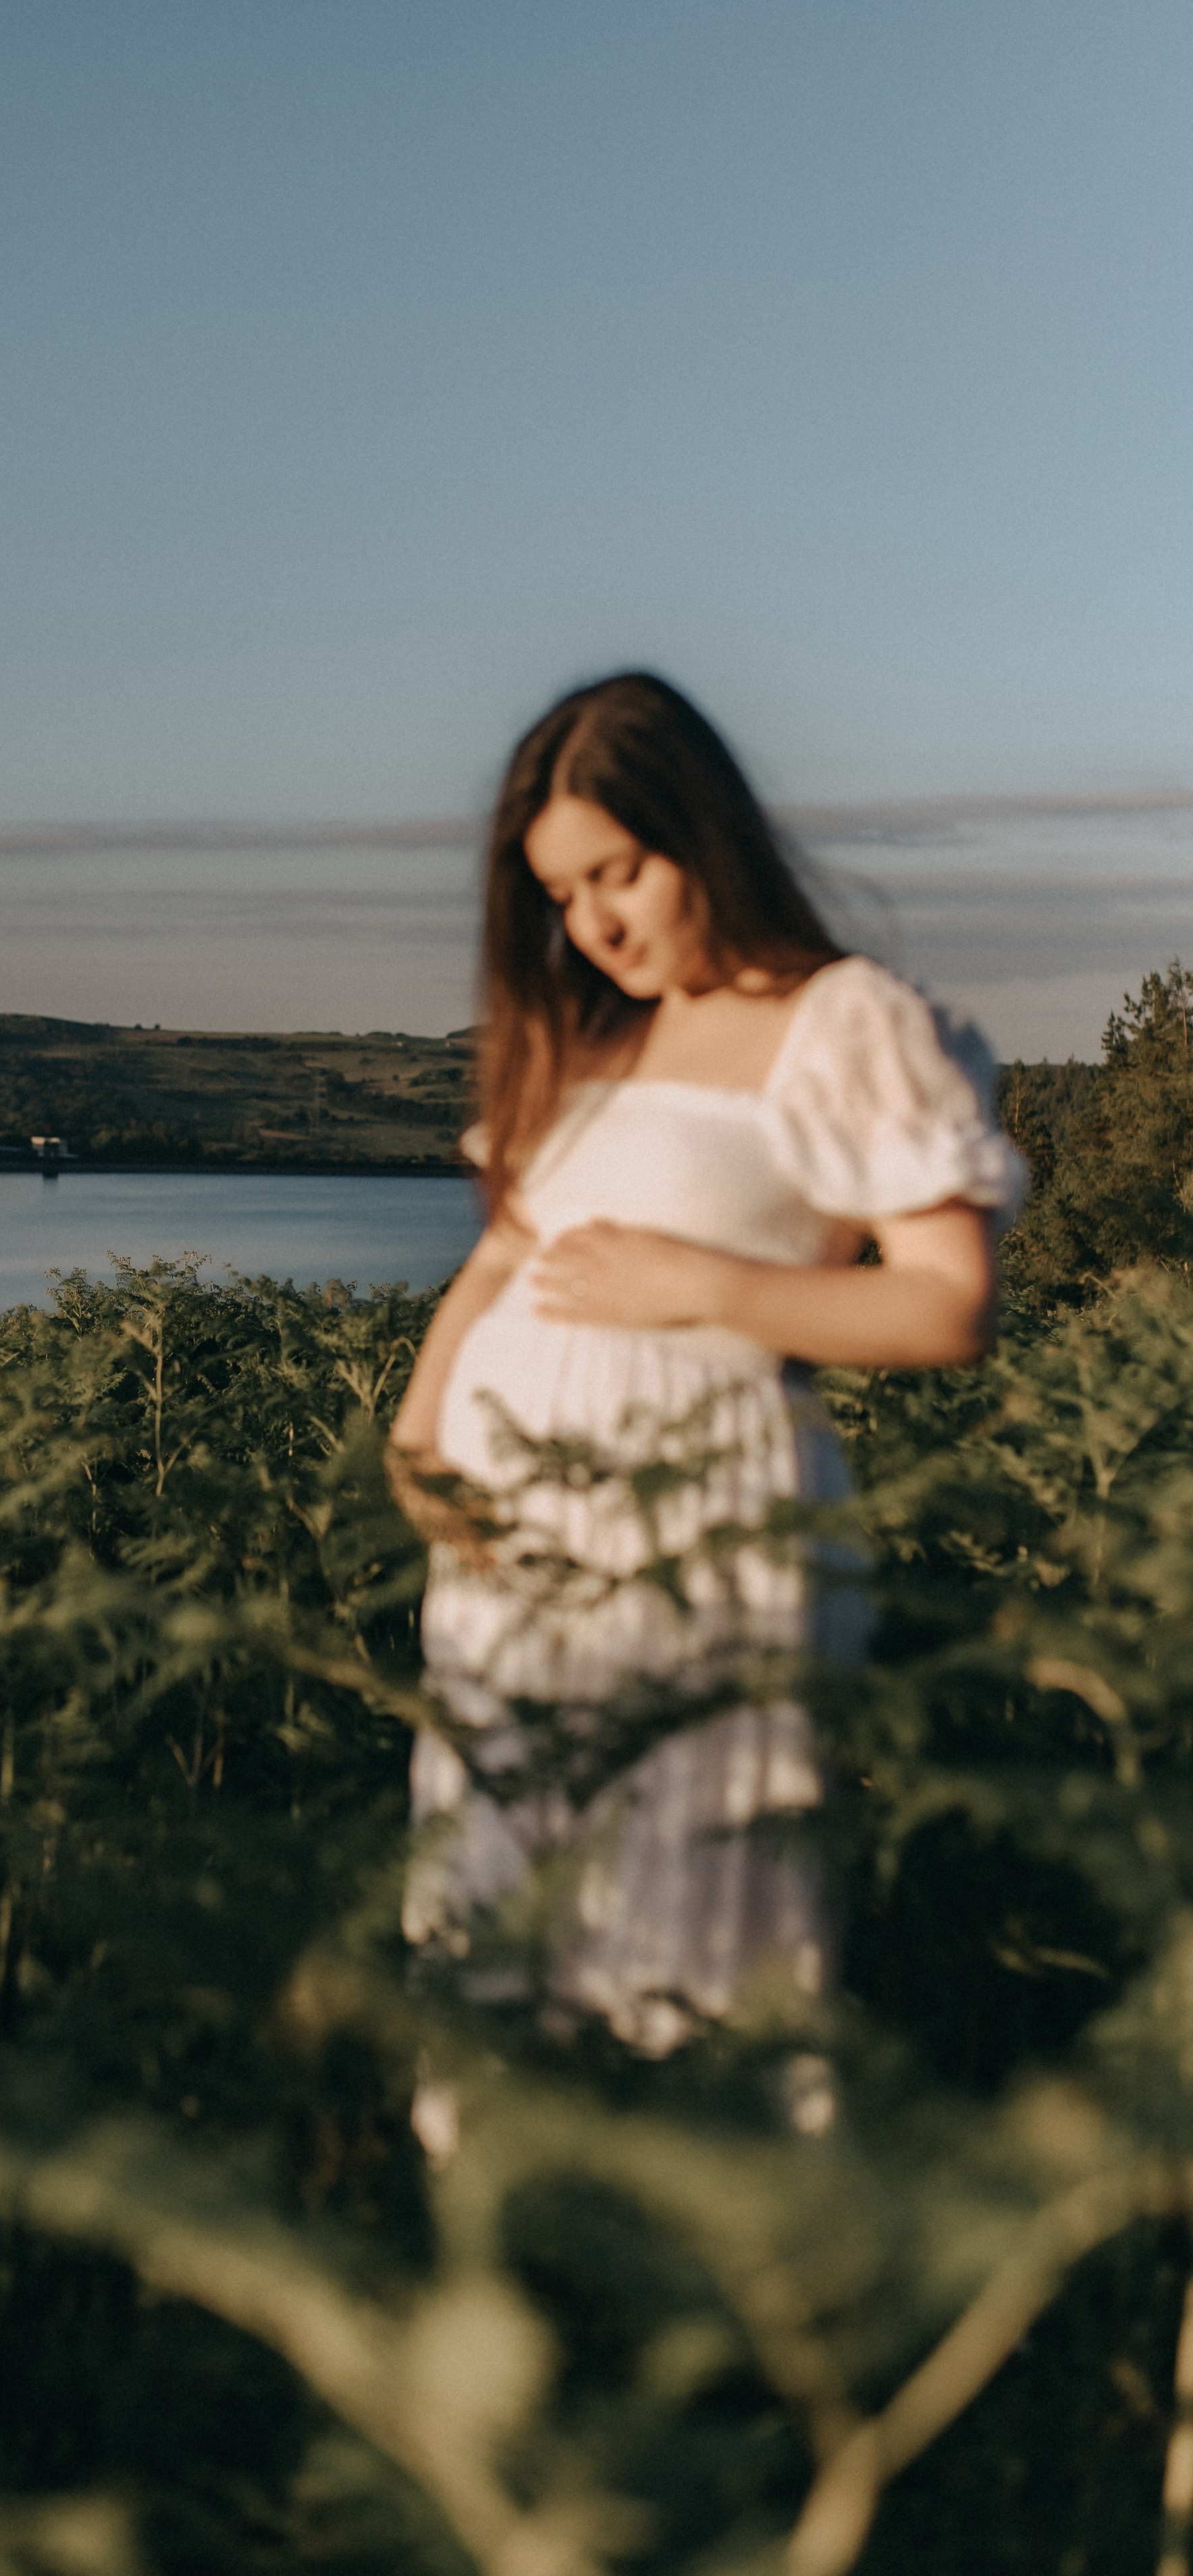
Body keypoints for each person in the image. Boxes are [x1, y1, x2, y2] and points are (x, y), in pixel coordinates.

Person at [388, 672, 1026, 2091]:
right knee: (504, 1884)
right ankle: (508, 2250)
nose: (593, 922)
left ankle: (709, 2258)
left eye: (619, 871)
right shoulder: (592, 1038)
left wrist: (704, 1289)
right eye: (560, 892)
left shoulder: (841, 1020)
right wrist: (421, 1424)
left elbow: (945, 1303)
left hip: (706, 1530)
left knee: (685, 1904)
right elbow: (501, 1257)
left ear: (705, 835)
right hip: (514, 1540)